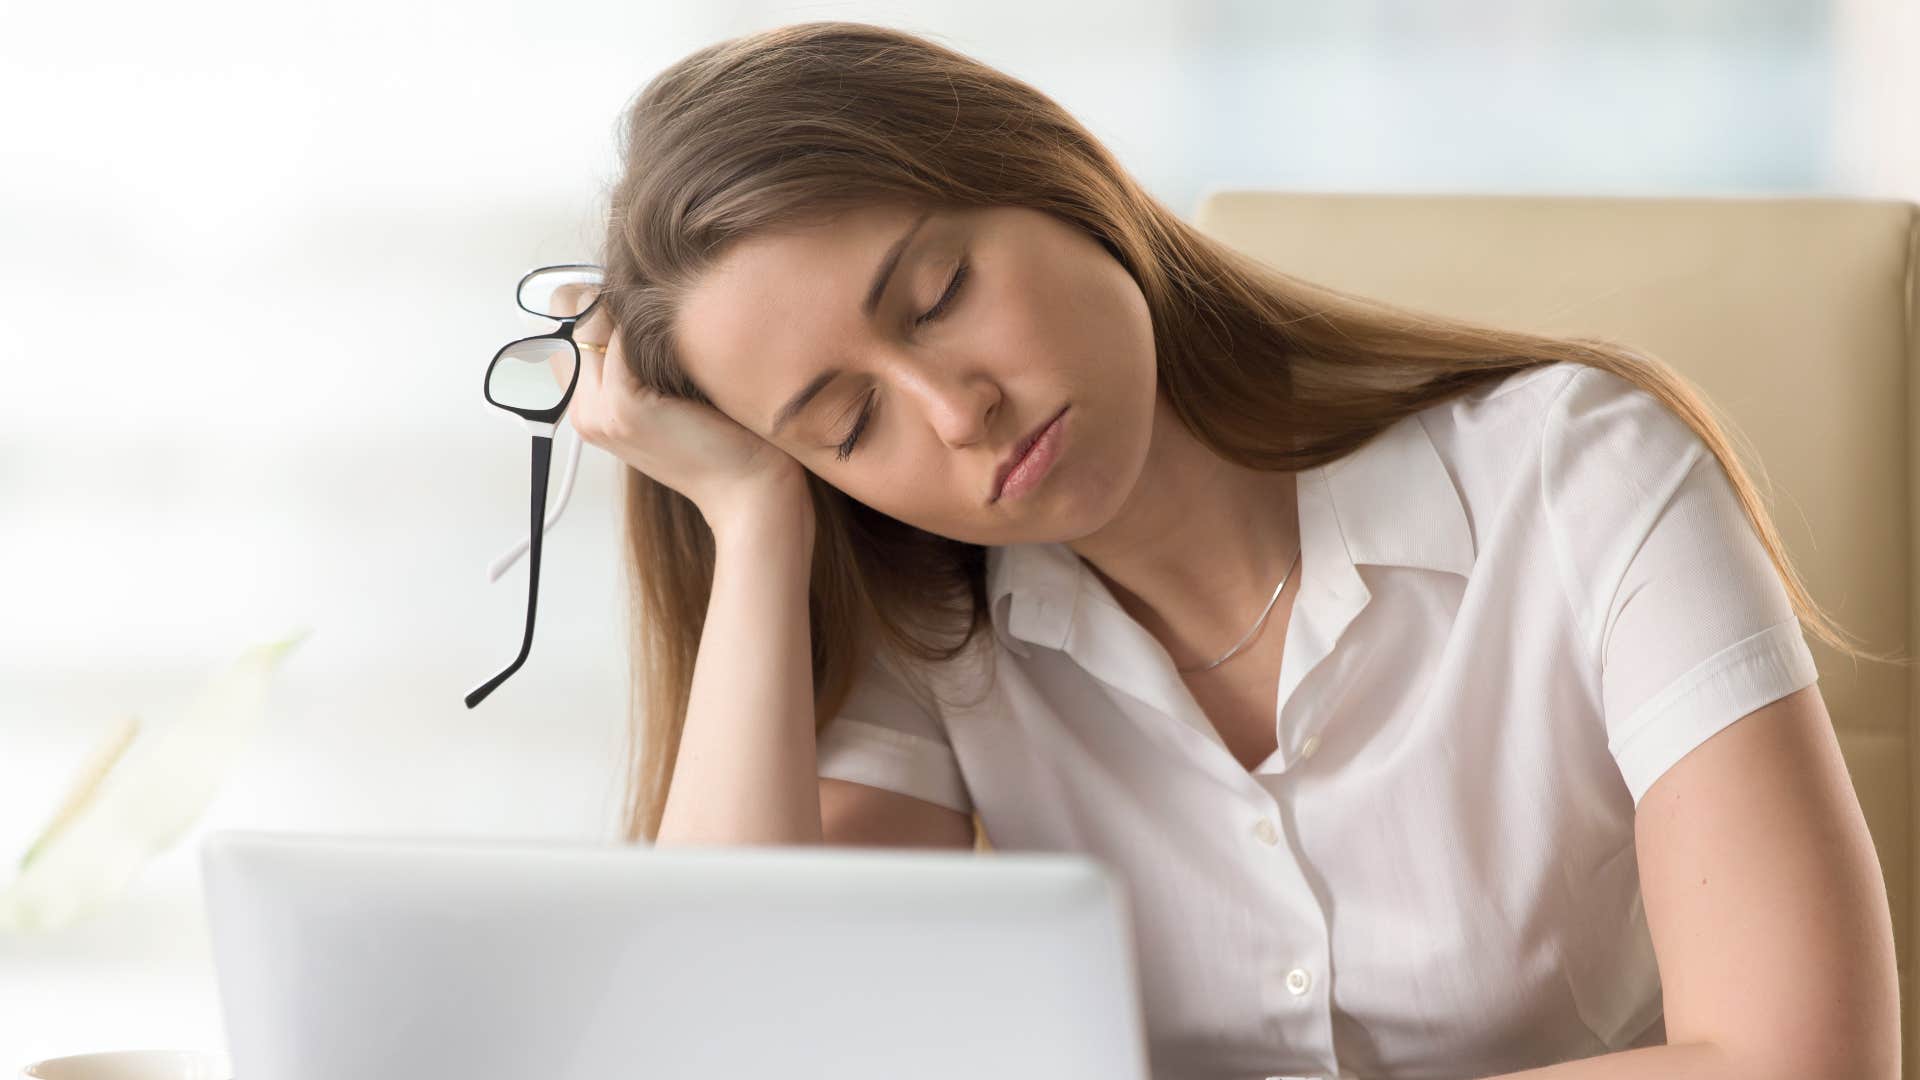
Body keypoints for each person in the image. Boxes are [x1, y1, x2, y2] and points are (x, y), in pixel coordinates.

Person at [560, 21, 1900, 1080]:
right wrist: (752, 519)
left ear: (1054, 178)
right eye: (849, 425)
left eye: (940, 294)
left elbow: (1802, 1060)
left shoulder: (1583, 475)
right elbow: (723, 1029)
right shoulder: (935, 623)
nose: (954, 413)